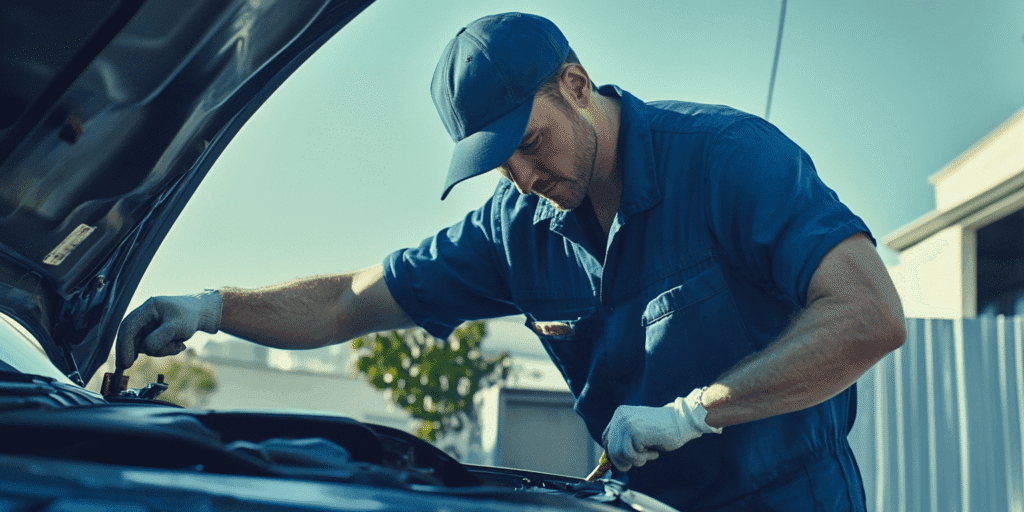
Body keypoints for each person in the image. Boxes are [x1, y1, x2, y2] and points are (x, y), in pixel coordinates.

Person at [115, 12, 906, 511]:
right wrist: (211, 308)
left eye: (531, 143)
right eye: (501, 164)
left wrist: (695, 412)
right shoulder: (513, 228)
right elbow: (350, 301)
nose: (526, 176)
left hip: (790, 499)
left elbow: (870, 316)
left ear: (575, 84)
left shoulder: (732, 161)